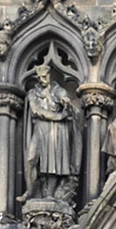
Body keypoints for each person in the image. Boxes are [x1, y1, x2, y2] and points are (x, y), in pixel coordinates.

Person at [22, 61, 78, 203]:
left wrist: (66, 103)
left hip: (55, 130)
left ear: (49, 75)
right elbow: (35, 110)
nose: (43, 79)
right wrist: (58, 116)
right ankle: (30, 191)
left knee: (53, 164)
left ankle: (49, 195)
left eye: (45, 76)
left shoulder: (58, 90)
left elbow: (65, 101)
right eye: (40, 77)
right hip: (42, 127)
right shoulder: (33, 93)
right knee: (30, 159)